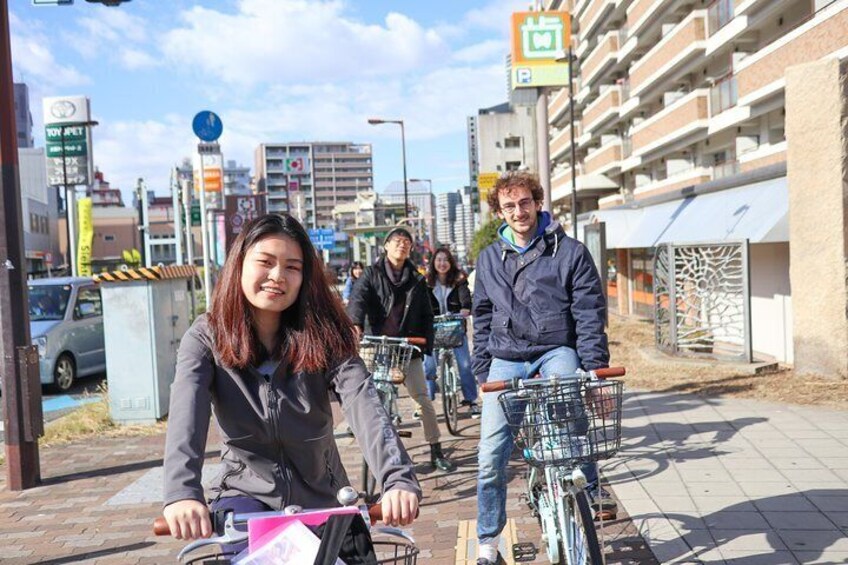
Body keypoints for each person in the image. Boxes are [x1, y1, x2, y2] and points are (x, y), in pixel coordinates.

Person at [162, 214, 420, 558]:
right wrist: (182, 493)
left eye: (292, 267)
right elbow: (185, 416)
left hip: (325, 497)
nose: (277, 277)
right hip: (245, 499)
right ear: (239, 264)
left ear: (305, 278)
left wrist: (397, 479)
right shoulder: (206, 337)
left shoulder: (327, 335)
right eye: (265, 262)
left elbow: (364, 402)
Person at [471, 172, 614, 565]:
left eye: (524, 203)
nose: (518, 212)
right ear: (498, 213)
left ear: (537, 202)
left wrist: (595, 373)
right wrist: (483, 370)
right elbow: (481, 315)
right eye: (508, 206)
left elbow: (588, 313)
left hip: (555, 348)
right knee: (491, 452)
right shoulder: (489, 258)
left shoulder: (569, 251)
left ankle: (590, 486)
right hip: (506, 354)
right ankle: (487, 541)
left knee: (569, 404)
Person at [347, 226, 456, 472]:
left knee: (422, 399)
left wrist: (426, 343)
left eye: (406, 241)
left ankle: (435, 449)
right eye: (396, 240)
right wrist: (355, 324)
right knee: (363, 393)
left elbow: (427, 314)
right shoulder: (371, 274)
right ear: (385, 246)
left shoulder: (417, 279)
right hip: (376, 341)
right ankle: (367, 440)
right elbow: (358, 299)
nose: (402, 244)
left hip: (407, 346)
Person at [423, 246, 480, 418]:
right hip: (433, 328)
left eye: (445, 260)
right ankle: (427, 400)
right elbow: (422, 303)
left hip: (455, 327)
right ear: (434, 263)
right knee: (429, 366)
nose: (442, 263)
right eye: (438, 260)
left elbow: (465, 298)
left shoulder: (459, 279)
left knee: (465, 365)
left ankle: (471, 400)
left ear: (451, 262)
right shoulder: (426, 281)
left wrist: (464, 309)